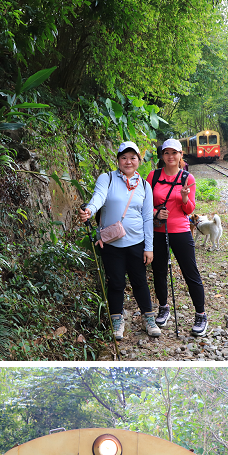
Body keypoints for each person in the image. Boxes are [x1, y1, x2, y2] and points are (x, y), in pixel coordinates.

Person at [79, 143, 161, 340]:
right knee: (115, 282)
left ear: (139, 160)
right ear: (118, 160)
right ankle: (117, 320)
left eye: (133, 158)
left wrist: (149, 247)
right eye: (124, 157)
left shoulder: (144, 186)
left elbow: (147, 218)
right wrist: (90, 209)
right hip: (112, 243)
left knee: (140, 281)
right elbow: (98, 198)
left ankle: (148, 319)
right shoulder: (107, 179)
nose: (128, 162)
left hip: (137, 242)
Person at [147, 138, 207, 337]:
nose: (170, 156)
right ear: (162, 155)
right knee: (159, 272)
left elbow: (189, 209)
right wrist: (156, 213)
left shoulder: (187, 178)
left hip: (180, 231)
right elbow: (144, 204)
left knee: (191, 273)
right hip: (158, 231)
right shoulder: (153, 176)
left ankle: (201, 314)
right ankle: (163, 308)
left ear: (181, 155)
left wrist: (184, 197)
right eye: (167, 153)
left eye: (174, 153)